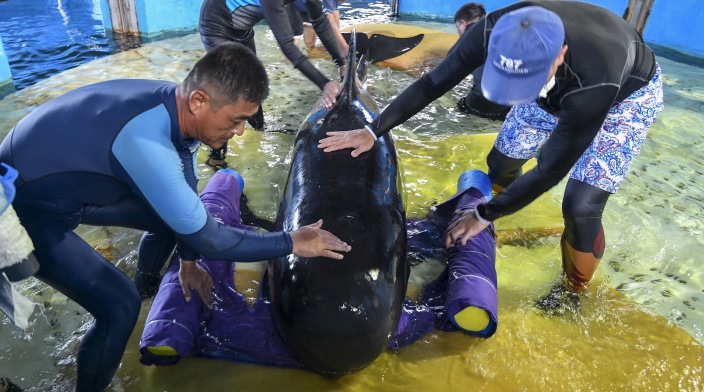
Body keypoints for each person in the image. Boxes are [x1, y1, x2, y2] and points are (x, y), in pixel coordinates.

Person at [0, 42, 350, 392]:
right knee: (119, 306)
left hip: (64, 188)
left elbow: (186, 200)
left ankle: (147, 286)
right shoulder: (147, 142)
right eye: (237, 119)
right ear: (199, 101)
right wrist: (292, 241)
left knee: (172, 219)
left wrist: (187, 262)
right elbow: (210, 237)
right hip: (20, 207)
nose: (242, 131)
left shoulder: (174, 108)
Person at [318, 1, 664, 313]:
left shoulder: (595, 80)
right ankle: (497, 218)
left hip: (623, 101)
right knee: (500, 163)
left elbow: (550, 170)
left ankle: (572, 291)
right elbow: (432, 84)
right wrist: (372, 130)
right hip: (546, 86)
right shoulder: (489, 30)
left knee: (580, 205)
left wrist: (483, 213)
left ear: (559, 54)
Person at [199, 0, 346, 169]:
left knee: (254, 84)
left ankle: (259, 129)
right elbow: (288, 47)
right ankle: (216, 158)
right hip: (216, 27)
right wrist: (324, 83)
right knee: (231, 92)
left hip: (242, 30)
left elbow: (319, 21)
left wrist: (341, 62)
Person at [451, 2, 511, 121]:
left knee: (457, 107)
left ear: (463, 23)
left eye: (458, 28)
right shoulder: (504, 28)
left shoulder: (468, 36)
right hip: (512, 104)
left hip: (480, 102)